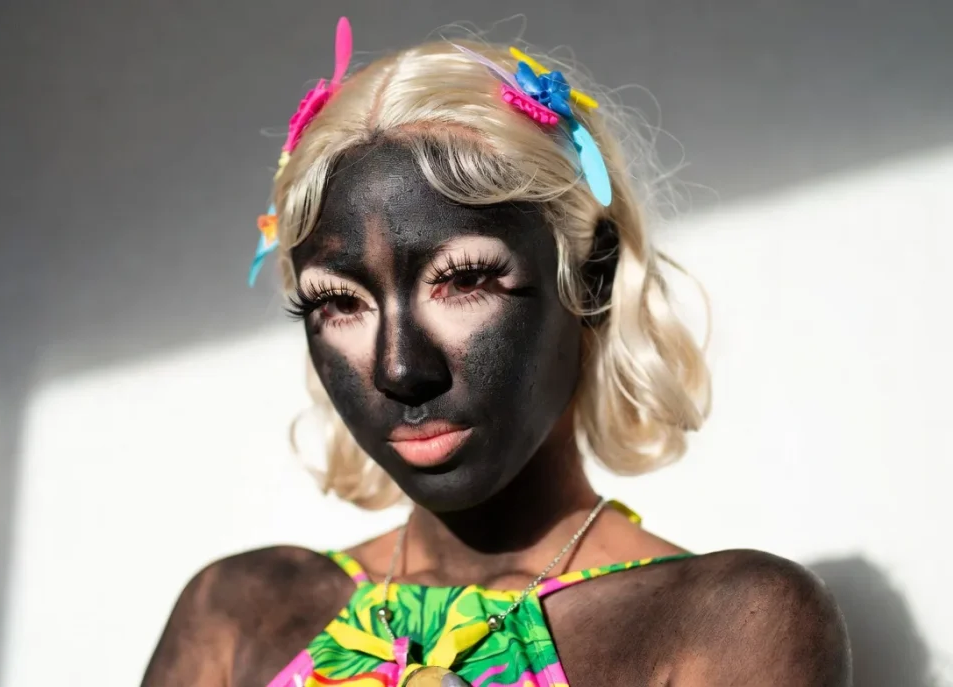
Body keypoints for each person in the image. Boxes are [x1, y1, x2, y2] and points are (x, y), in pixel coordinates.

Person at [142, 17, 851, 687]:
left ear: (591, 279)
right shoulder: (237, 612)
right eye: (339, 302)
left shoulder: (727, 622)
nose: (399, 367)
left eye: (464, 280)